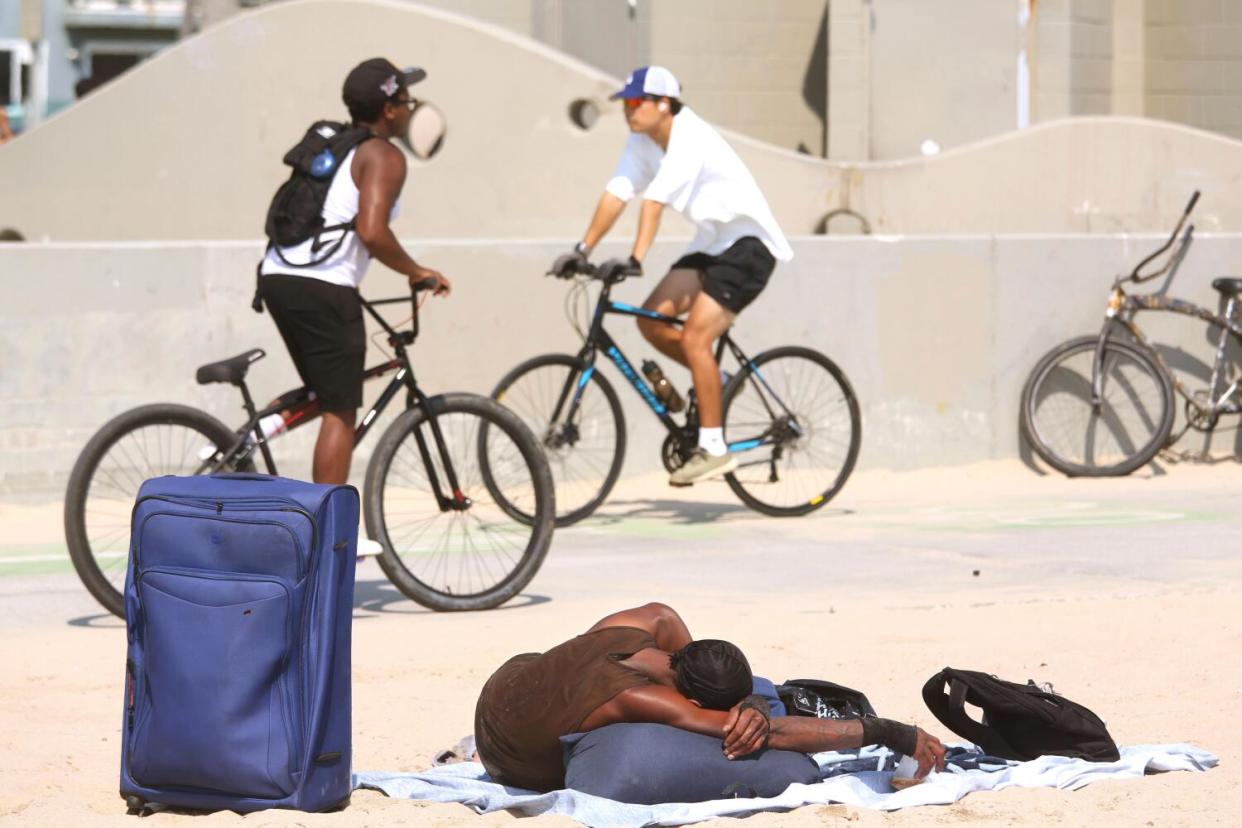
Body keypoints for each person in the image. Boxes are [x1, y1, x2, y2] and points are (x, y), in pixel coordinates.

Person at [551, 66, 793, 487]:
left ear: (664, 104)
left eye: (634, 102)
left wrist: (635, 258)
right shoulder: (642, 141)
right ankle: (717, 383)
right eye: (624, 104)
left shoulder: (689, 137)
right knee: (650, 319)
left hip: (749, 248)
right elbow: (617, 193)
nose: (627, 111)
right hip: (712, 245)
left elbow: (653, 203)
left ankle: (714, 449)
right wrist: (581, 250)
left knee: (696, 338)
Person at [474, 602, 946, 792]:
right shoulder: (642, 701)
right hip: (509, 756)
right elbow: (771, 737)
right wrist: (888, 731)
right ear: (696, 703)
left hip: (504, 686)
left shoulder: (654, 621)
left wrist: (751, 699)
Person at [258, 58, 450, 490]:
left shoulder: (337, 147)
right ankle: (330, 528)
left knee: (323, 389)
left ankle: (248, 439)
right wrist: (417, 271)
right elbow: (372, 231)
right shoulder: (383, 155)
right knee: (340, 412)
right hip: (323, 284)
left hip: (277, 275)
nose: (409, 108)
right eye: (406, 100)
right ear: (389, 110)